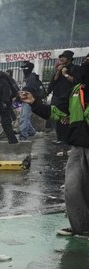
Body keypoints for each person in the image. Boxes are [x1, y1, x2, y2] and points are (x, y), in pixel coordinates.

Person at [21, 54, 89, 236]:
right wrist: (35, 103)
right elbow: (58, 113)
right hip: (79, 147)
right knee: (73, 189)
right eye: (85, 62)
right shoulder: (77, 91)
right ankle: (81, 228)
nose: (85, 66)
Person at [48, 50, 80, 149]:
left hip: (69, 97)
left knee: (67, 118)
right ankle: (60, 138)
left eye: (64, 57)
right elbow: (53, 82)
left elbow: (76, 81)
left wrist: (65, 74)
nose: (61, 59)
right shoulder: (59, 68)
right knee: (58, 119)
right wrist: (58, 71)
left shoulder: (75, 68)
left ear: (69, 59)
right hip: (58, 97)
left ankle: (67, 139)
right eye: (60, 57)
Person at [19, 61, 42, 141]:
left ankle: (23, 136)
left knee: (24, 117)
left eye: (25, 68)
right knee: (25, 117)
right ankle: (32, 132)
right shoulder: (28, 77)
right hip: (26, 100)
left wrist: (22, 95)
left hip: (29, 100)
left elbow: (28, 89)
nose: (23, 70)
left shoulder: (31, 77)